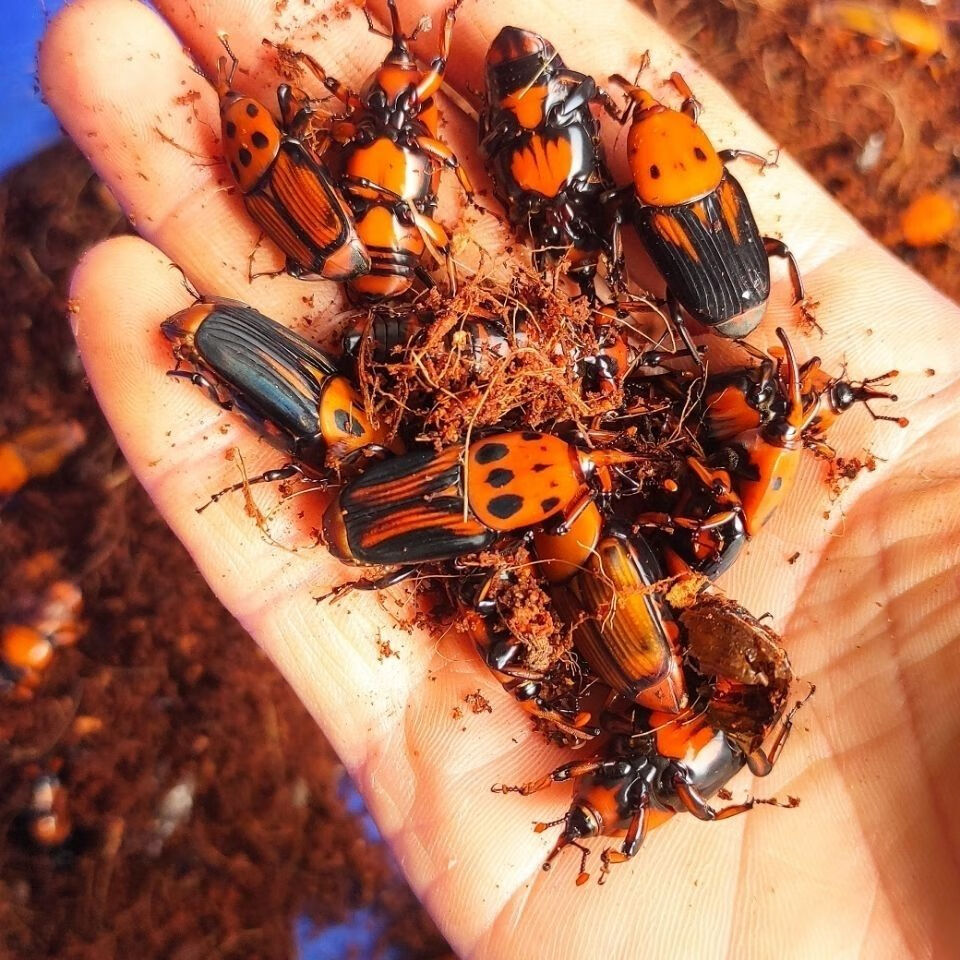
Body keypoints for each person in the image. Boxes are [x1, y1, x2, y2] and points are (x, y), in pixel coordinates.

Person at [39, 0, 960, 956]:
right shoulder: (642, 642)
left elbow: (564, 544)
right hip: (451, 480)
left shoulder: (642, 655)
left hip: (461, 488)